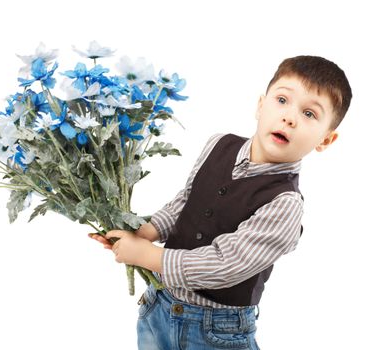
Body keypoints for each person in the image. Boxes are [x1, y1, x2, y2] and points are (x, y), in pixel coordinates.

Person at [89, 55, 352, 349]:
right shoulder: (219, 144)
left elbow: (225, 264)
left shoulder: (285, 204)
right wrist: (145, 232)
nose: (289, 117)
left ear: (325, 140)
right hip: (158, 305)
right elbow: (186, 202)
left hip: (216, 330)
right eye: (282, 100)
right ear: (260, 105)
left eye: (309, 114)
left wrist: (148, 256)